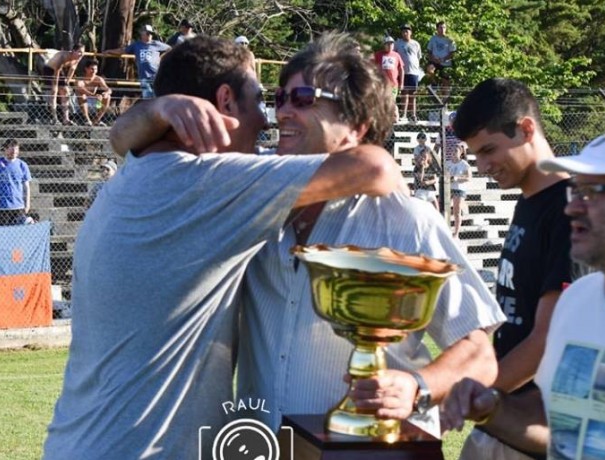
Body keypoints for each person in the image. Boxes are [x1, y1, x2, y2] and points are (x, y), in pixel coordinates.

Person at [108, 32, 505, 439]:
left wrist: (416, 387)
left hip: (368, 449)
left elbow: (478, 350)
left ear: (355, 126)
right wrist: (160, 109)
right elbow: (124, 140)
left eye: (303, 99)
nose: (280, 113)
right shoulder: (245, 198)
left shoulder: (405, 218)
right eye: (279, 98)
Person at [44, 35, 404, 459]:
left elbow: (121, 135)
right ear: (226, 101)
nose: (267, 121)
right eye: (259, 99)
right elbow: (375, 166)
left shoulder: (140, 171)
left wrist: (153, 112)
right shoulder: (203, 185)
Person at [443, 126, 605, 460]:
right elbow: (561, 419)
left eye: (595, 191)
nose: (573, 208)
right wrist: (492, 406)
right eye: (575, 191)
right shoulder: (577, 301)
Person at [452, 78, 579, 460]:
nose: (483, 165)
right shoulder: (529, 199)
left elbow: (547, 338)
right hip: (499, 423)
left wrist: (473, 396)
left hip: (531, 429)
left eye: (489, 149)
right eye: (475, 154)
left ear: (526, 129)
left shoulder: (570, 208)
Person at [104, 25, 171, 99]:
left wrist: (162, 58)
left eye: (151, 33)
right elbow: (123, 50)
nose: (150, 35)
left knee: (158, 96)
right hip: (144, 76)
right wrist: (110, 51)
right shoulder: (136, 45)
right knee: (148, 97)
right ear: (142, 33)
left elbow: (170, 49)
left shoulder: (156, 44)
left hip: (157, 75)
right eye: (147, 33)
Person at [0, 138, 31, 226]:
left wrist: (27, 204)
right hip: (0, 207)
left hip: (18, 206)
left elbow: (27, 187)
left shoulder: (22, 165)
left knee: (17, 234)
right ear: (5, 149)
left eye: (16, 150)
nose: (14, 152)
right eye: (11, 149)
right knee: (0, 234)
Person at [41, 45, 84, 124]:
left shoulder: (78, 58)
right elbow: (56, 71)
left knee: (65, 92)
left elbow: (72, 69)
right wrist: (55, 86)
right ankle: (54, 118)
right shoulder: (63, 56)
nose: (81, 54)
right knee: (54, 92)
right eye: (79, 52)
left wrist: (67, 82)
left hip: (59, 70)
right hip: (50, 69)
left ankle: (66, 119)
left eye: (82, 52)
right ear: (73, 51)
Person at [394, 24, 424, 122]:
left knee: (413, 94)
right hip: (403, 72)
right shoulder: (397, 44)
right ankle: (404, 114)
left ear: (410, 32)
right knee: (404, 93)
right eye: (403, 31)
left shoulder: (416, 44)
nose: (405, 33)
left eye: (407, 31)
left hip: (414, 72)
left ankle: (413, 114)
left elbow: (418, 57)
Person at [74, 60, 112, 126]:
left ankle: (97, 120)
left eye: (95, 69)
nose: (94, 71)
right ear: (86, 69)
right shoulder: (80, 79)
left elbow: (108, 89)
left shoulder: (98, 79)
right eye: (92, 69)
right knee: (82, 95)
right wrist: (93, 95)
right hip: (80, 102)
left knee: (106, 97)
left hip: (94, 102)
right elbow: (80, 88)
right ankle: (87, 119)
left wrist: (106, 93)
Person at [448, 141, 472, 237]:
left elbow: (469, 178)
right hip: (448, 189)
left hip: (459, 189)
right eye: (452, 151)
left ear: (460, 152)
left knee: (456, 211)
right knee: (444, 210)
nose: (453, 152)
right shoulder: (447, 163)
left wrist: (456, 178)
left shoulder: (464, 164)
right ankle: (446, 229)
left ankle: (456, 232)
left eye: (455, 151)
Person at [427, 21, 457, 88]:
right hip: (435, 61)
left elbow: (452, 53)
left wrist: (443, 59)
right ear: (437, 29)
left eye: (444, 27)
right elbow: (429, 51)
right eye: (440, 28)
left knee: (445, 83)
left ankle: (445, 98)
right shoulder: (433, 38)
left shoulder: (450, 39)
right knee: (429, 70)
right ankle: (434, 84)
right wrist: (433, 59)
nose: (442, 29)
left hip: (445, 63)